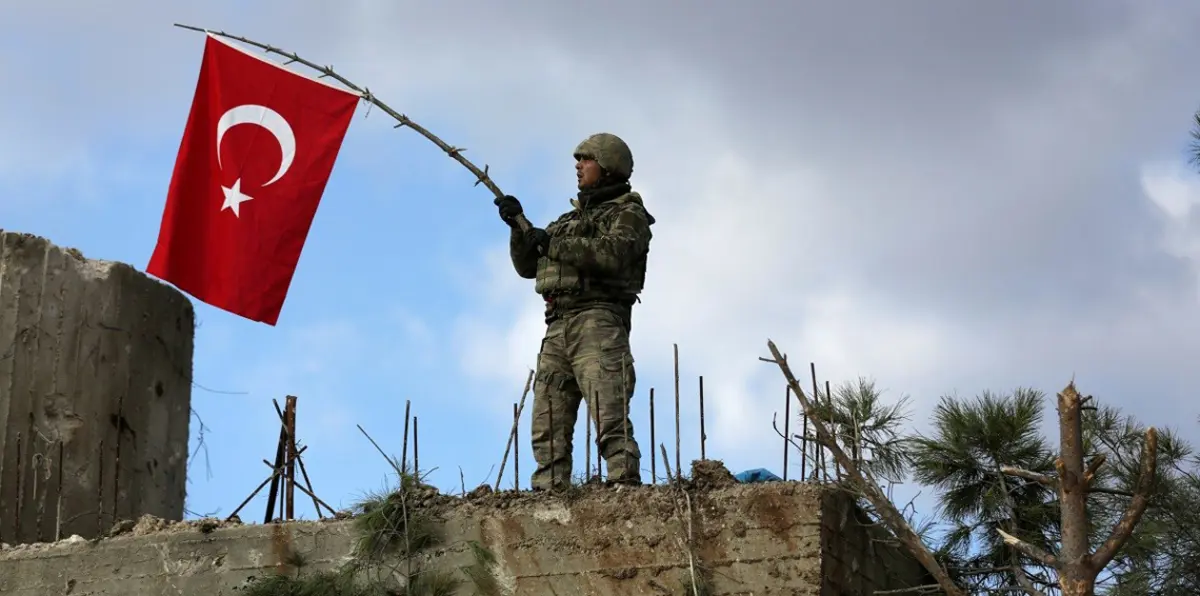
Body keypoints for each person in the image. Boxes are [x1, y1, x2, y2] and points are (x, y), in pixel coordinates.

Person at [494, 132, 655, 491]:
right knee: (547, 416)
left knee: (608, 408)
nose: (578, 167)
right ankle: (549, 491)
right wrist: (518, 229)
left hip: (598, 321)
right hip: (557, 324)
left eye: (586, 160)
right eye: (578, 161)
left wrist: (553, 243)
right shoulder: (566, 220)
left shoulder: (629, 214)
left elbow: (613, 254)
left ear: (608, 166)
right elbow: (527, 267)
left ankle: (622, 484)